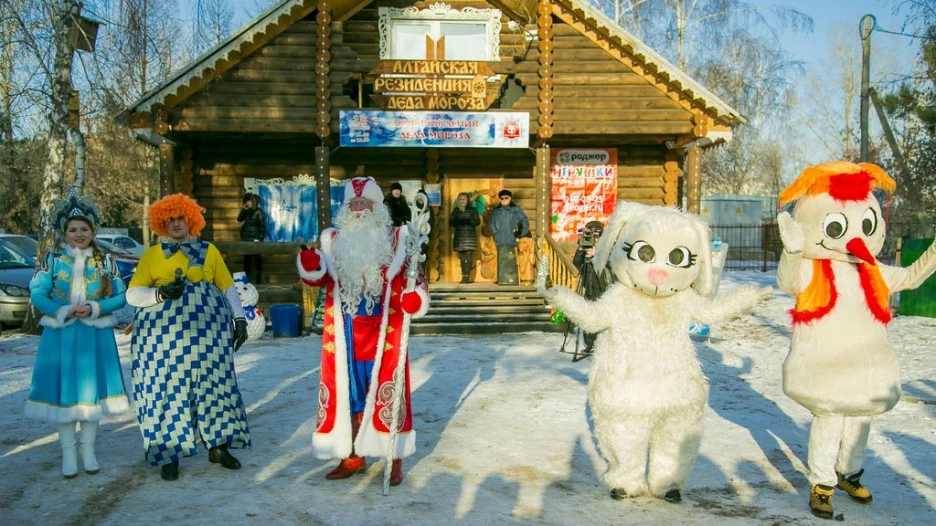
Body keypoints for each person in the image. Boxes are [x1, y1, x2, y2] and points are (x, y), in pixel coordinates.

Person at [296, 176, 429, 488]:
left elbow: (417, 276)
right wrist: (311, 264)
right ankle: (352, 455)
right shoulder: (332, 241)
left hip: (386, 332)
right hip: (346, 334)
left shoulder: (397, 239)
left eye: (364, 204)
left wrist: (416, 298)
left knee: (388, 392)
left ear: (377, 208)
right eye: (353, 204)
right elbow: (319, 279)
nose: (358, 209)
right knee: (350, 394)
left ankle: (393, 458)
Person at [126, 193, 250, 482]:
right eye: (169, 220)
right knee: (169, 390)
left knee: (214, 386)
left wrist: (239, 318)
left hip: (209, 332)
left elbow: (228, 285)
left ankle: (218, 446)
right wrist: (159, 293)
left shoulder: (209, 250)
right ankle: (169, 454)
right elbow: (133, 293)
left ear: (191, 220)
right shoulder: (152, 255)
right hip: (162, 336)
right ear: (161, 224)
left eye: (180, 218)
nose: (175, 224)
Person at [25, 190, 129, 478]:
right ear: (64, 233)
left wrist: (96, 307)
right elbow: (37, 293)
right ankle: (68, 454)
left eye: (84, 229)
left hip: (95, 336)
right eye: (73, 230)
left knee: (90, 395)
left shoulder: (105, 262)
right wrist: (63, 310)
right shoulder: (53, 260)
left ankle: (89, 450)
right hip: (60, 336)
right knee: (65, 395)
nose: (79, 234)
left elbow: (121, 296)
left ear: (92, 231)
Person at [570, 221, 608, 353]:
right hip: (589, 286)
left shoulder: (607, 247)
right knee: (588, 315)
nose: (594, 238)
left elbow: (612, 265)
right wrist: (581, 250)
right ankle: (590, 345)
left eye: (596, 234)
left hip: (603, 286)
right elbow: (576, 265)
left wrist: (596, 254)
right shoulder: (586, 243)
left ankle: (603, 345)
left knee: (602, 315)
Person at [486, 189, 529, 285]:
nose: (504, 199)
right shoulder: (496, 211)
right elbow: (491, 223)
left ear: (510, 198)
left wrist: (521, 233)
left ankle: (512, 282)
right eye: (502, 198)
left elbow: (525, 221)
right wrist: (495, 233)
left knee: (512, 263)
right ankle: (502, 281)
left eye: (506, 198)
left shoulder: (516, 210)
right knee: (502, 262)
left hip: (513, 241)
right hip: (500, 240)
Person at [449, 192, 480, 283]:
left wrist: (468, 220)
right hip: (460, 237)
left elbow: (477, 221)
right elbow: (451, 222)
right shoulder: (456, 210)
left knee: (469, 257)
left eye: (464, 199)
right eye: (461, 199)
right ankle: (464, 276)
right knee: (462, 257)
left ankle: (467, 276)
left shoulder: (472, 210)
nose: (462, 201)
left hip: (470, 237)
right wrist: (459, 221)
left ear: (467, 200)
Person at [237, 192, 265, 284]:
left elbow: (262, 226)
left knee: (257, 259)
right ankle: (246, 280)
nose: (247, 203)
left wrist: (260, 239)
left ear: (253, 202)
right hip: (246, 238)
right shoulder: (246, 211)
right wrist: (243, 209)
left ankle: (258, 280)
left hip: (255, 238)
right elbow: (239, 219)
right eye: (246, 201)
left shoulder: (259, 211)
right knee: (247, 260)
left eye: (248, 201)